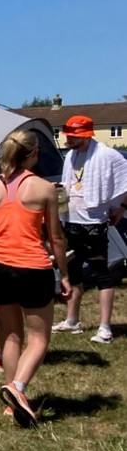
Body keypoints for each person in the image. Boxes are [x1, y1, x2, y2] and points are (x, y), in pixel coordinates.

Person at [0, 130, 70, 428]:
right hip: (33, 267)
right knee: (39, 338)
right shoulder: (44, 188)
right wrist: (64, 275)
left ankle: (12, 402)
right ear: (33, 154)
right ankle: (18, 387)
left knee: (12, 336)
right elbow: (56, 237)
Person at [53, 115, 127, 343]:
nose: (69, 141)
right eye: (68, 136)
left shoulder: (108, 155)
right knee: (72, 271)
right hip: (71, 220)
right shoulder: (71, 157)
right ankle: (72, 320)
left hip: (94, 222)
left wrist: (121, 208)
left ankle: (105, 328)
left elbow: (126, 180)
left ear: (85, 135)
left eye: (73, 137)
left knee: (101, 273)